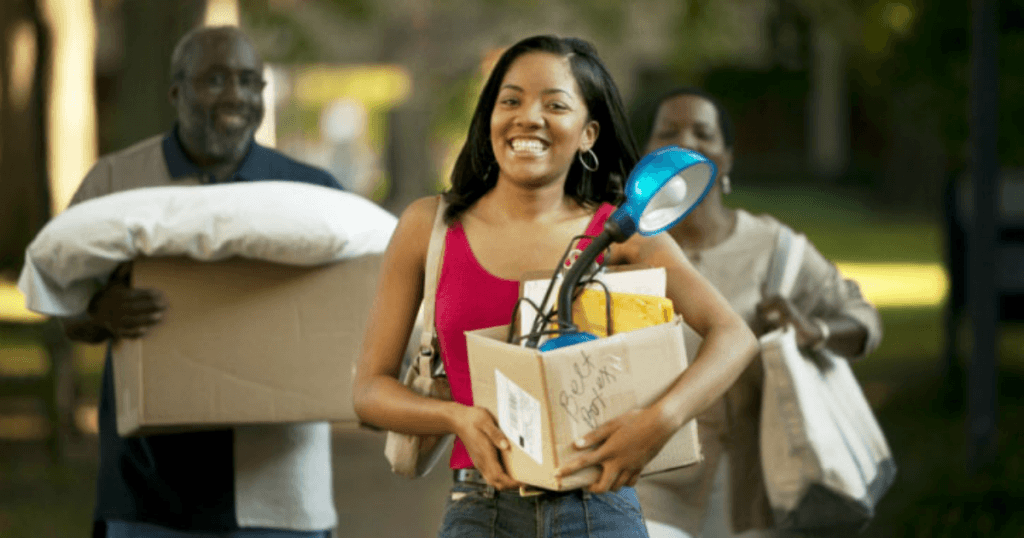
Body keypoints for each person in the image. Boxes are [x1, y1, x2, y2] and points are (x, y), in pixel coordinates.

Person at [352, 36, 758, 538]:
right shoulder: (429, 228)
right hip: (482, 506)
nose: (528, 117)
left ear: (588, 133)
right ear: (491, 117)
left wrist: (659, 421)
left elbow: (734, 336)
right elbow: (370, 391)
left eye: (555, 105)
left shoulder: (620, 232)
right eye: (511, 100)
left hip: (600, 508)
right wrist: (456, 418)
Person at [60, 26, 344, 538]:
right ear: (176, 92)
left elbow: (359, 311)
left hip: (280, 492)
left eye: (248, 81)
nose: (235, 94)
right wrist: (100, 311)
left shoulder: (314, 193)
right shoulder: (114, 184)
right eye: (214, 80)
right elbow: (58, 299)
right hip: (148, 494)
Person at [631, 87, 884, 538]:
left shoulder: (775, 251)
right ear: (649, 155)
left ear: (725, 158)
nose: (684, 139)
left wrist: (815, 330)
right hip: (647, 486)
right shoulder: (625, 251)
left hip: (750, 491)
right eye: (668, 131)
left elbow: (864, 319)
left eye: (702, 132)